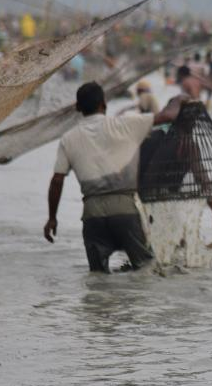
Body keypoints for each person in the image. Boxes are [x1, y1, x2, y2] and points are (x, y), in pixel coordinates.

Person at [43, 82, 184, 272]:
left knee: (98, 276)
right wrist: (180, 99)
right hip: (125, 209)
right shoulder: (126, 124)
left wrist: (52, 218)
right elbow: (168, 115)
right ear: (104, 104)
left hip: (92, 214)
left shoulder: (68, 139)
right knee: (146, 269)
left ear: (77, 107)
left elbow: (57, 180)